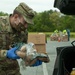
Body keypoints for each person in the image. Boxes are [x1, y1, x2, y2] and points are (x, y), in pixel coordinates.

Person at [0, 2, 43, 75]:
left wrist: (30, 59)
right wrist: (6, 53)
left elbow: (22, 50)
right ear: (16, 17)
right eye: (25, 22)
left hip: (12, 70)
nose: (26, 26)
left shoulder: (23, 31)